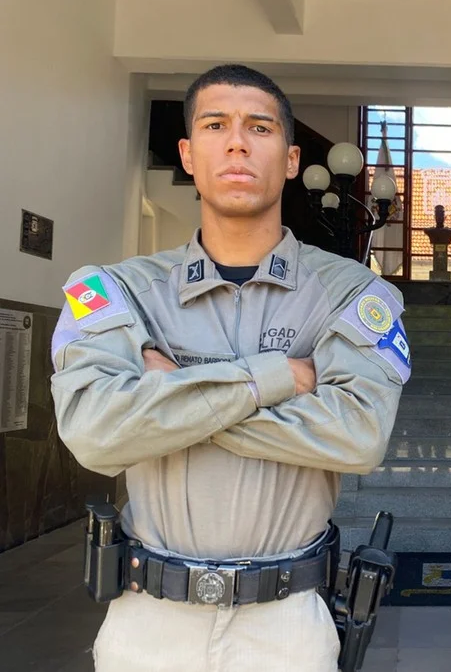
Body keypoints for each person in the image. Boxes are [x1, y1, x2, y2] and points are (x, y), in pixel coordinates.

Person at [50, 64, 410, 672]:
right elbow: (93, 431)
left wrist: (164, 392)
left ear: (291, 159)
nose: (238, 141)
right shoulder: (116, 290)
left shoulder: (351, 292)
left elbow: (357, 435)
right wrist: (277, 379)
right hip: (147, 624)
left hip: (287, 626)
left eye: (260, 127)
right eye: (216, 125)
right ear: (188, 154)